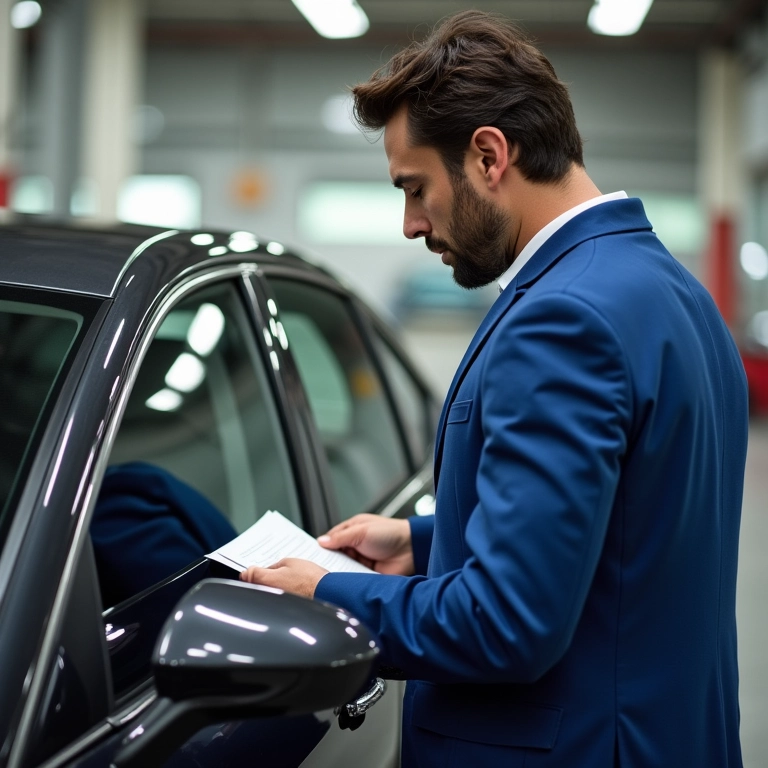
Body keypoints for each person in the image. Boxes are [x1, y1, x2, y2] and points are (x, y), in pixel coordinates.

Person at [241, 10, 748, 767]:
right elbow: (631, 528)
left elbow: (506, 623)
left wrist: (326, 594)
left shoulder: (562, 320)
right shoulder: (671, 289)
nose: (411, 224)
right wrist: (422, 541)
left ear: (488, 155)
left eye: (416, 188)